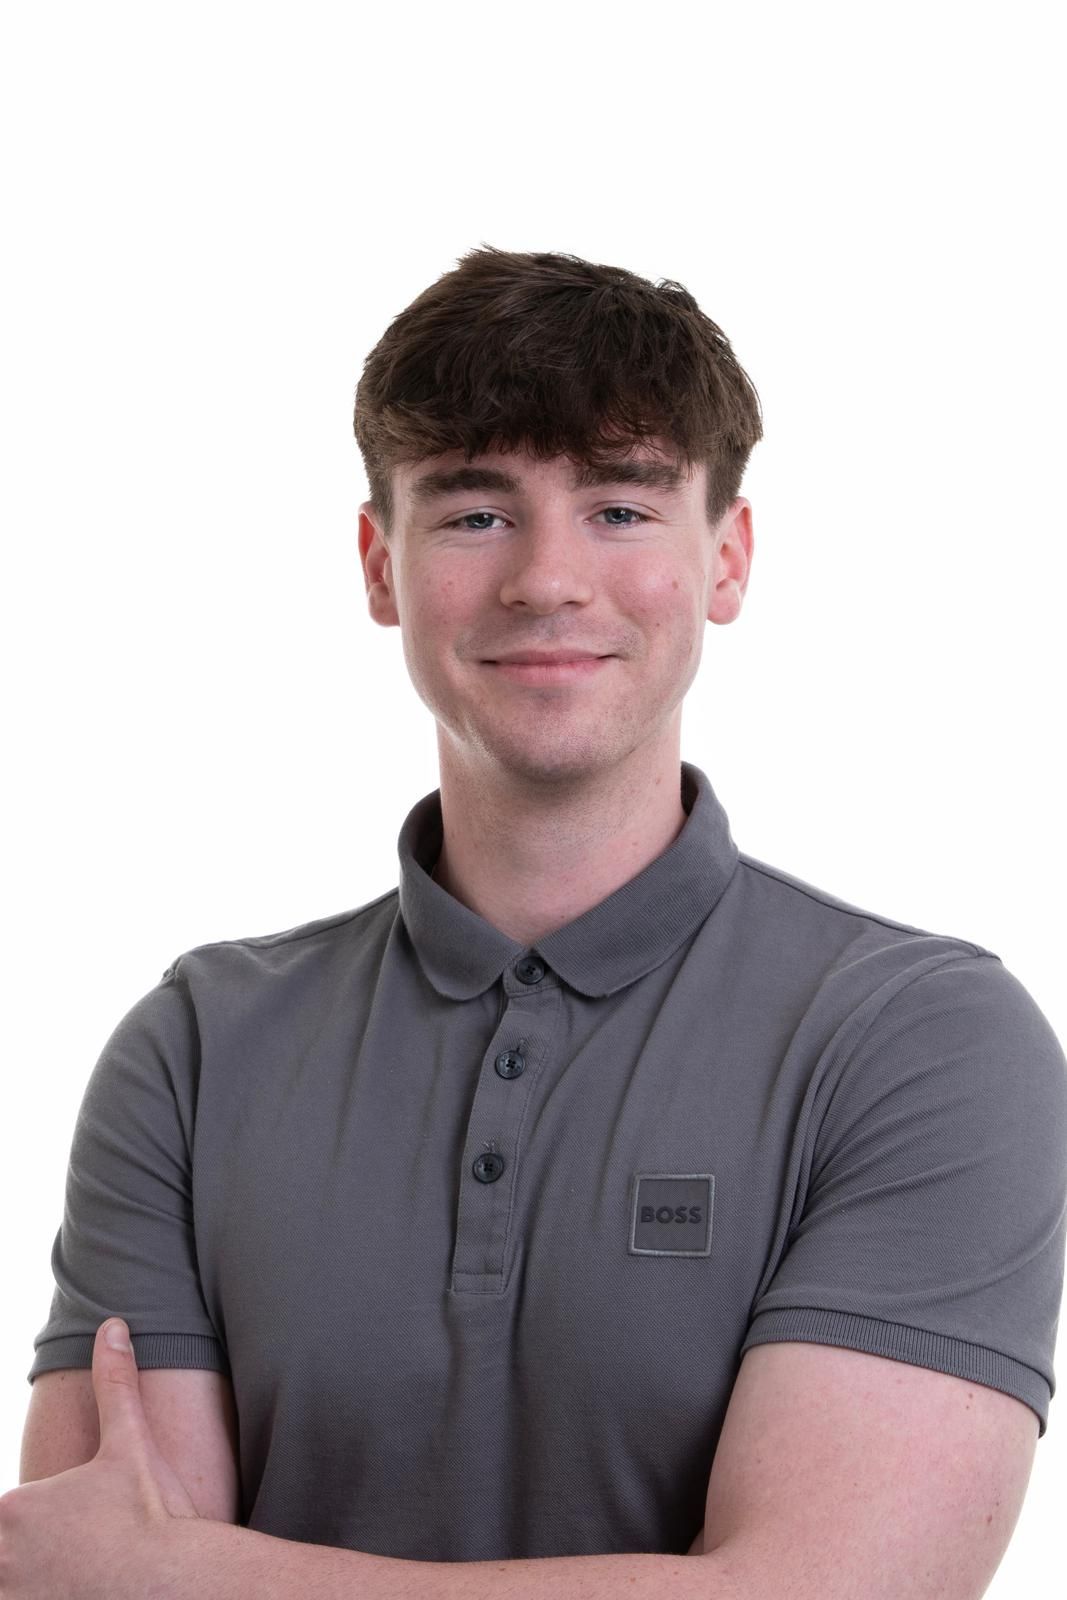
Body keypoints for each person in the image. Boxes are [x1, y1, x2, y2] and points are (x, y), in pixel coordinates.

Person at [13, 245, 1067, 1599]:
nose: (546, 579)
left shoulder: (920, 1042)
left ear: (726, 559)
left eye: (622, 509)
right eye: (473, 512)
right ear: (379, 564)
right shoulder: (197, 1048)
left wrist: (196, 1576)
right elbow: (86, 1580)